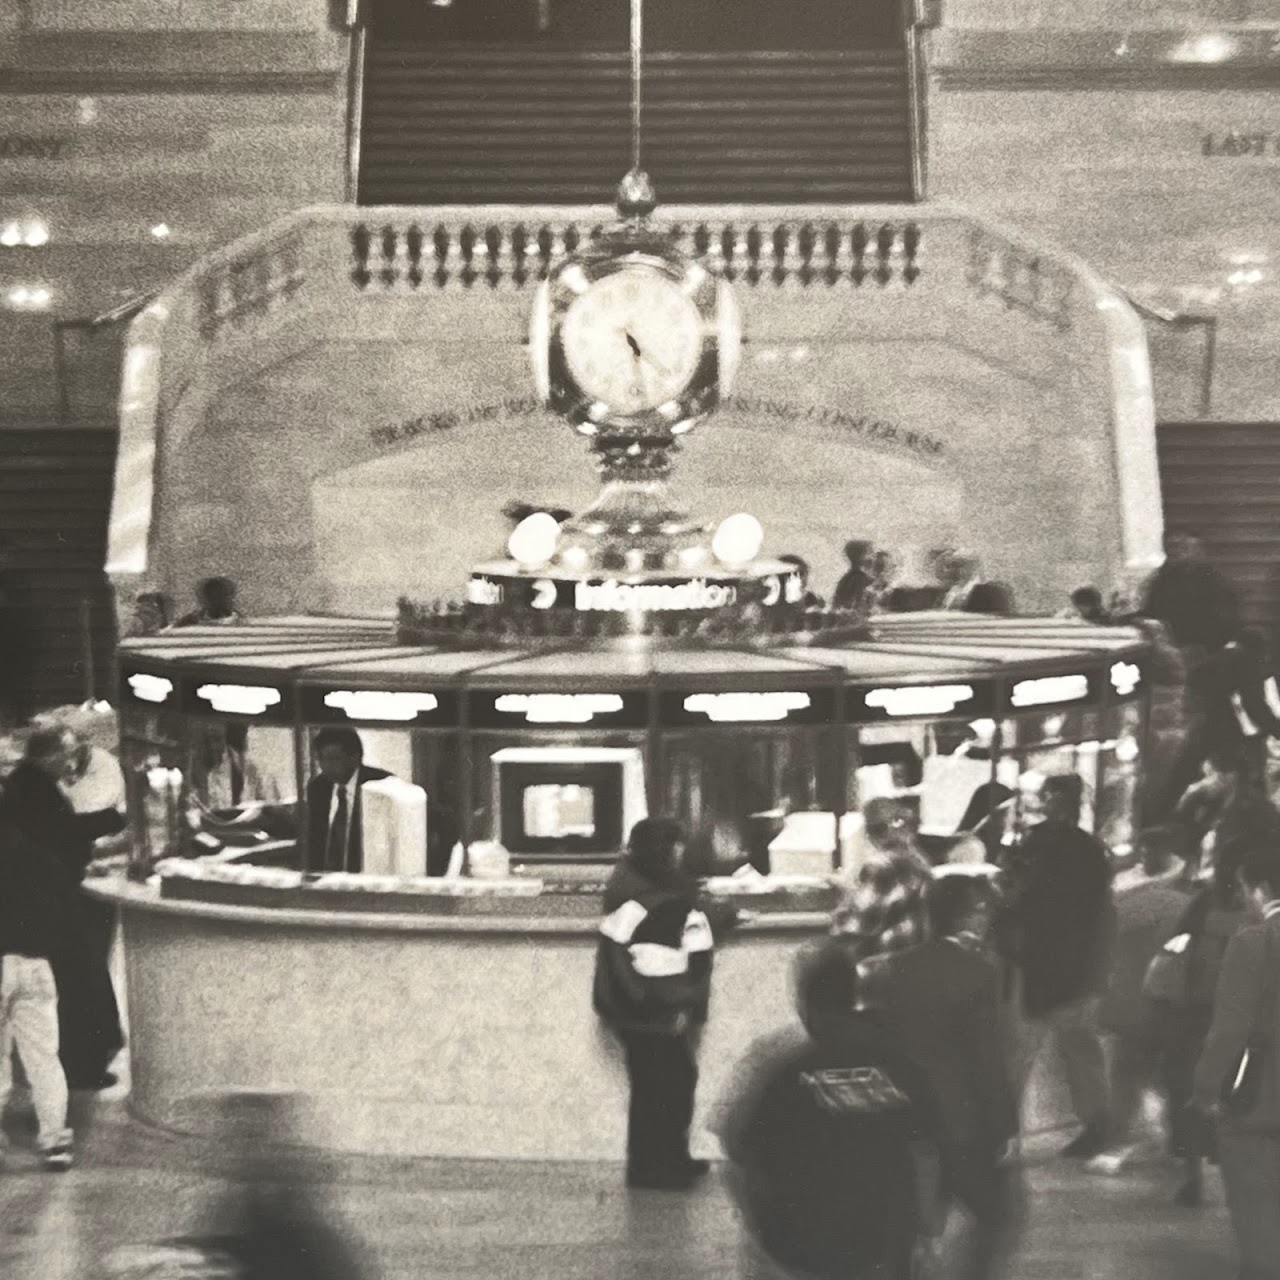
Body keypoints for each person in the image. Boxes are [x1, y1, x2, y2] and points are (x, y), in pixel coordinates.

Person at [719, 944, 945, 1280]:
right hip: (883, 1243)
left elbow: (739, 1151)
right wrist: (926, 1233)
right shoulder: (901, 1063)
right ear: (853, 995)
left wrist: (763, 1235)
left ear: (803, 1001)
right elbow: (928, 1151)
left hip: (803, 1248)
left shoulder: (781, 1067)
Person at [857, 875, 1022, 1280]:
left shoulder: (891, 968)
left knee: (909, 1213)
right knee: (996, 1213)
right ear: (971, 915)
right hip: (960, 1118)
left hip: (905, 1113)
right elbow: (985, 1058)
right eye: (983, 910)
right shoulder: (979, 972)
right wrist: (1004, 1125)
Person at [594, 817, 718, 1190]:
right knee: (665, 1084)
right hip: (653, 1004)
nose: (682, 851)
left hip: (646, 1003)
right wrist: (662, 1002)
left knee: (661, 1083)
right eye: (677, 844)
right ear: (665, 849)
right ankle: (656, 1165)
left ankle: (662, 1160)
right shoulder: (649, 890)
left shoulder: (633, 884)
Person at [0, 728, 127, 1088]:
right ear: (50, 756)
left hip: (38, 901)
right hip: (51, 900)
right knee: (79, 981)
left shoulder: (25, 782)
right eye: (66, 754)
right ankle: (82, 1068)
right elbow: (62, 833)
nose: (71, 762)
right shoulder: (37, 788)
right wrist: (112, 820)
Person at [1003, 774, 1115, 1159]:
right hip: (1076, 963)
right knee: (1080, 1052)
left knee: (1019, 1052)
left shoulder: (1034, 844)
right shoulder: (1090, 850)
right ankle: (1097, 1125)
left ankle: (1002, 1131)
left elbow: (1015, 896)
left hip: (1037, 962)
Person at [1193, 843, 1280, 1279]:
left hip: (1262, 1097)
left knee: (1257, 1206)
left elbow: (1231, 1028)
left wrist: (1206, 1088)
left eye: (1246, 889)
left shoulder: (1255, 941)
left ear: (1261, 889)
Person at [1094, 835, 1195, 1169]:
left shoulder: (1123, 904)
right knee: (1172, 1077)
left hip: (1130, 1004)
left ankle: (1120, 1142)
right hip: (1173, 1005)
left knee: (1126, 1075)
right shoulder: (1187, 907)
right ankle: (1175, 1142)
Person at [1158, 838, 1249, 1206]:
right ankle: (1235, 1175)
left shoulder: (1202, 903)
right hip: (1242, 1015)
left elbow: (1175, 943)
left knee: (1191, 1092)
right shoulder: (1258, 912)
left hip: (1194, 1011)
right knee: (1238, 1098)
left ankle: (1193, 1176)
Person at [0, 818, 76, 1170]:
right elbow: (63, 888)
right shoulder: (36, 854)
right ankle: (55, 1141)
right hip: (35, 964)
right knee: (45, 1057)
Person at [304, 728, 391, 874]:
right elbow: (315, 841)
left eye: (333, 759)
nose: (325, 766)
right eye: (321, 759)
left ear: (355, 758)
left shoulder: (381, 785)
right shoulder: (318, 787)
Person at [1140, 529, 1240, 655]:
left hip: (1204, 647)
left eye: (1182, 547)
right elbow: (1152, 612)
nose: (1175, 552)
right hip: (1169, 647)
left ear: (1198, 551)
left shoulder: (1212, 581)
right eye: (1170, 547)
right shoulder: (1163, 579)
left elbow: (1222, 622)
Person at [175, 576, 242, 627]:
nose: (217, 601)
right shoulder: (187, 623)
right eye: (213, 596)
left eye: (224, 595)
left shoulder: (242, 623)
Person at [832, 540, 875, 611]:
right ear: (859, 557)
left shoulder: (847, 577)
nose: (873, 558)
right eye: (870, 553)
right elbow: (859, 604)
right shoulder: (859, 578)